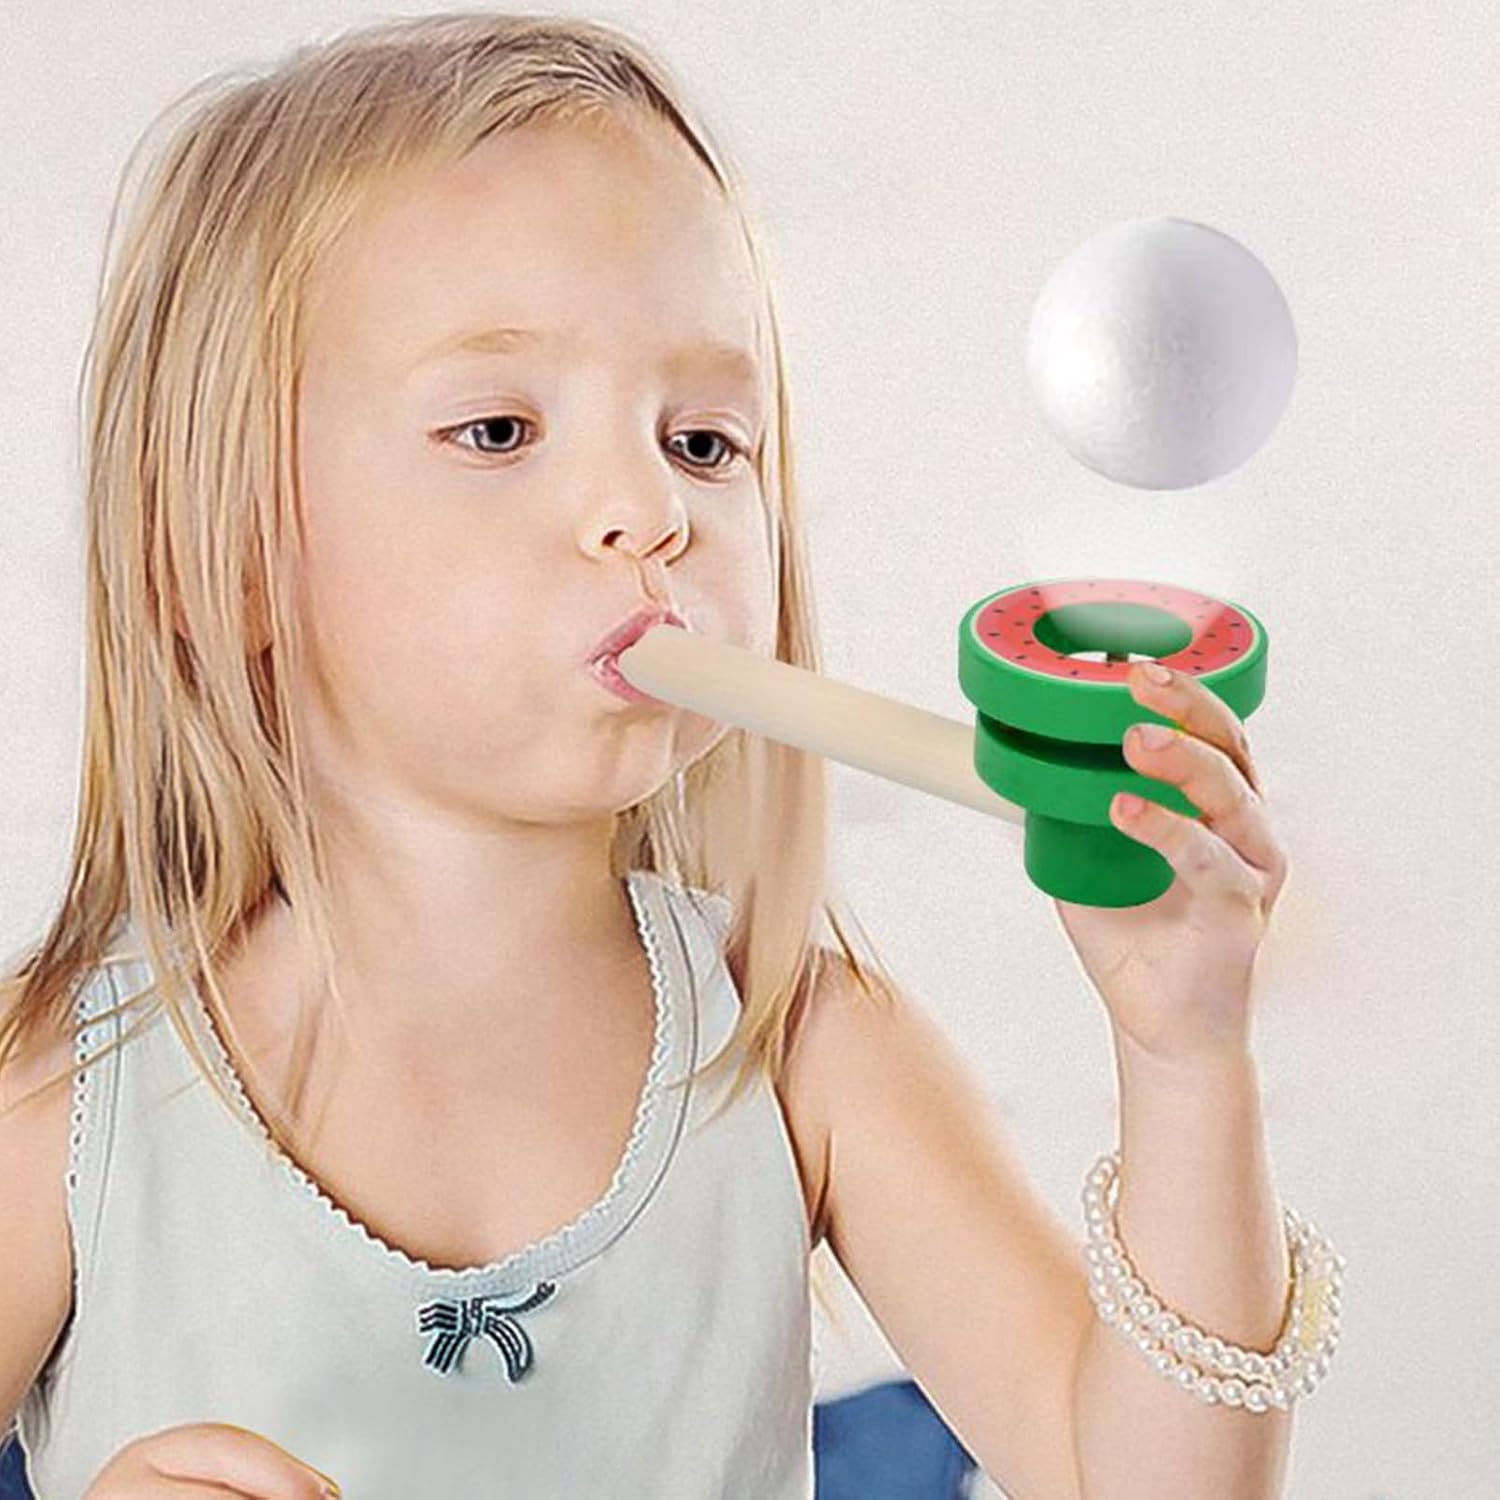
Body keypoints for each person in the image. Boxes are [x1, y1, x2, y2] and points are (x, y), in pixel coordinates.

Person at [0, 13, 904, 1498]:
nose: (649, 512)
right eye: (497, 429)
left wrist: (1180, 1049)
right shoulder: (61, 1095)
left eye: (702, 442)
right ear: (222, 554)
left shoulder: (798, 1041)